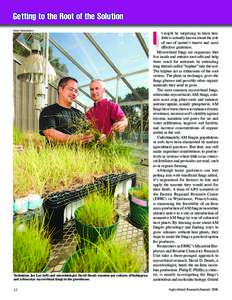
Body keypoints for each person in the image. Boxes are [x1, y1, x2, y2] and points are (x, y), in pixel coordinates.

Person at [39, 77, 93, 145]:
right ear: (60, 89)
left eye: (76, 91)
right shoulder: (48, 111)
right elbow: (50, 134)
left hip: (80, 154)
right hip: (57, 155)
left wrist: (96, 135)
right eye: (71, 89)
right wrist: (75, 139)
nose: (74, 93)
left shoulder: (80, 114)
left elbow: (89, 131)